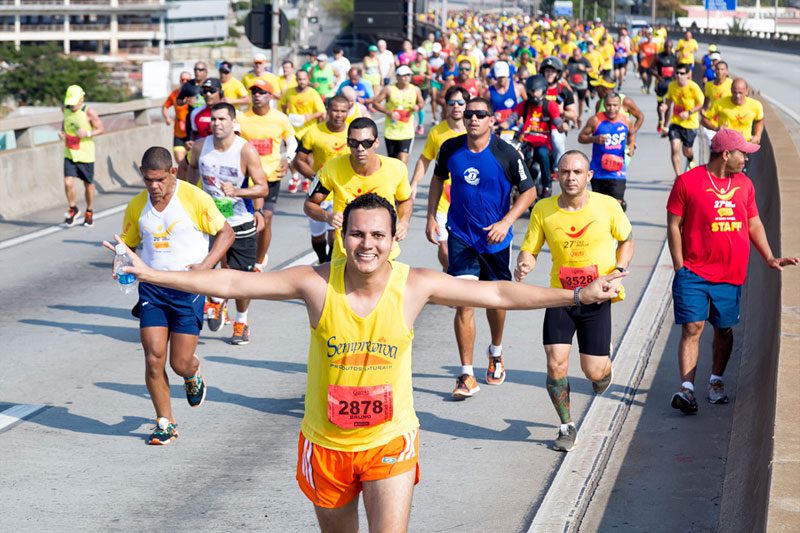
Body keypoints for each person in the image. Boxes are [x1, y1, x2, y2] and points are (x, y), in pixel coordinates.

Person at [110, 192, 623, 529]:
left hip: (390, 439)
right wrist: (151, 274)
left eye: (378, 234)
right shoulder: (314, 283)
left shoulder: (415, 285)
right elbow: (230, 282)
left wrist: (575, 298)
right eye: (357, 233)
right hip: (325, 443)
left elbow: (500, 294)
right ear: (342, 236)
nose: (367, 244)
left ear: (394, 239)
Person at [105, 146, 234, 445]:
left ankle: (192, 374)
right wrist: (120, 260)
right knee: (153, 358)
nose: (154, 186)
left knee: (180, 362)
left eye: (160, 180)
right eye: (148, 180)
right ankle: (165, 421)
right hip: (152, 290)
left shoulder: (194, 198)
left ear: (173, 173)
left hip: (188, 290)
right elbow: (128, 246)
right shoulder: (137, 206)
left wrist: (205, 265)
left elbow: (226, 233)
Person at [666, 129, 798, 414]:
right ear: (726, 154)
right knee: (692, 327)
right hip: (694, 272)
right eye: (743, 153)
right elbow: (674, 225)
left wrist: (769, 257)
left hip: (730, 274)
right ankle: (686, 389)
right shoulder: (688, 182)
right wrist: (680, 267)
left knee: (724, 329)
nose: (746, 159)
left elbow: (754, 224)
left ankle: (715, 380)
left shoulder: (745, 186)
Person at [515, 150, 633, 451]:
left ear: (589, 176)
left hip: (597, 297)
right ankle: (566, 426)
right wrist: (524, 261)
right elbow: (530, 248)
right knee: (556, 365)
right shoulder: (543, 210)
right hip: (561, 298)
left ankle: (603, 369)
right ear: (557, 174)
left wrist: (618, 271)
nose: (570, 177)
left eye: (577, 172)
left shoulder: (607, 206)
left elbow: (627, 239)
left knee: (594, 372)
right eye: (565, 172)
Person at [427, 97, 537, 399]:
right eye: (469, 114)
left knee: (496, 301)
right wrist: (431, 217)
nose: (472, 119)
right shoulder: (451, 148)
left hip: (495, 239)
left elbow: (529, 192)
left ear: (491, 120)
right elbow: (438, 179)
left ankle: (496, 351)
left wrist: (506, 222)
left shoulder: (506, 153)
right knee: (463, 302)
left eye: (480, 114)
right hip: (461, 234)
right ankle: (466, 374)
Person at [183, 103, 268, 345]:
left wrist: (238, 191)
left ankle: (241, 320)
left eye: (222, 119)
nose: (217, 124)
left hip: (240, 220)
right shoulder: (201, 147)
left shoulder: (246, 150)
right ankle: (217, 300)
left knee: (241, 278)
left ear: (233, 122)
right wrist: (189, 200)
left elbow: (262, 186)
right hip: (210, 221)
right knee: (204, 267)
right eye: (214, 119)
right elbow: (190, 171)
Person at [304, 117, 413, 260]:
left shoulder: (396, 168)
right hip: (345, 255)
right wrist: (327, 216)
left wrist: (404, 222)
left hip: (383, 254)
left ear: (376, 142)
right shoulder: (331, 168)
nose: (360, 148)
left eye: (367, 143)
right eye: (354, 143)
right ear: (348, 142)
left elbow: (405, 200)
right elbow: (309, 205)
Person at [237, 80, 297, 271]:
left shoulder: (280, 118)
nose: (257, 95)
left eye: (262, 92)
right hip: (246, 178)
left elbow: (291, 141)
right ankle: (242, 256)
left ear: (270, 96)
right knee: (247, 221)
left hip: (270, 176)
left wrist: (287, 158)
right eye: (254, 92)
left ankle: (258, 261)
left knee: (267, 218)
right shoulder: (241, 118)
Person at [409, 86, 469, 269]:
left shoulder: (475, 129)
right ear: (446, 106)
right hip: (445, 197)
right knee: (444, 248)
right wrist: (414, 183)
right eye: (452, 103)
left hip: (469, 196)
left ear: (467, 105)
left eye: (460, 103)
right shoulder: (437, 132)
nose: (456, 106)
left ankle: (458, 278)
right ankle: (452, 274)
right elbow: (425, 159)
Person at [293, 95, 351, 263]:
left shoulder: (352, 133)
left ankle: (331, 264)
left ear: (348, 112)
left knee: (335, 233)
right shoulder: (313, 132)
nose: (338, 115)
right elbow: (299, 160)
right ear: (327, 110)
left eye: (343, 111)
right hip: (320, 194)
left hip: (343, 192)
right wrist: (315, 177)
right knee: (318, 236)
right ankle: (322, 260)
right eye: (335, 110)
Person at [578, 92, 635, 211]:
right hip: (598, 172)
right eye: (609, 105)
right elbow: (581, 137)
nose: (612, 109)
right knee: (600, 207)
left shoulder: (626, 121)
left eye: (615, 105)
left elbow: (632, 134)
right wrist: (594, 139)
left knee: (617, 205)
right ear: (604, 105)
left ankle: (616, 228)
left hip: (618, 172)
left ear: (620, 106)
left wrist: (632, 145)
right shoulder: (595, 120)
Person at [60, 84, 105, 227]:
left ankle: (89, 211)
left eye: (74, 103)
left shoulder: (89, 112)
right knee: (68, 182)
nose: (72, 106)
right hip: (69, 152)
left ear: (82, 99)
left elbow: (101, 129)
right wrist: (62, 132)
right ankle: (73, 209)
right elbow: (65, 122)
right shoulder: (65, 109)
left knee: (88, 185)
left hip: (85, 154)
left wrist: (88, 133)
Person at [518, 75, 567, 199]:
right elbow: (512, 118)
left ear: (543, 91)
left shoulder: (550, 105)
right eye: (530, 90)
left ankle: (547, 184)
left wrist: (561, 126)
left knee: (542, 153)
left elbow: (557, 120)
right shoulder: (524, 105)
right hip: (525, 141)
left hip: (543, 142)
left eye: (536, 90)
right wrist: (499, 124)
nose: (533, 93)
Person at [279, 69, 327, 193]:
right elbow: (283, 104)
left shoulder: (313, 93)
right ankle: (295, 177)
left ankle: (307, 179)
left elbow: (321, 111)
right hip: (292, 130)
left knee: (308, 158)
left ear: (308, 79)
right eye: (299, 79)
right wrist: (287, 116)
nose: (302, 82)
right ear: (296, 80)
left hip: (308, 131)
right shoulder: (289, 92)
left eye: (304, 79)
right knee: (291, 156)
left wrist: (309, 117)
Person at [371, 65, 424, 164]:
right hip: (391, 131)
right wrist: (389, 112)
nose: (406, 78)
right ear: (397, 77)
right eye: (403, 75)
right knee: (393, 162)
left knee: (403, 159)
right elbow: (375, 103)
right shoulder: (389, 89)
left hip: (407, 130)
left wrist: (417, 106)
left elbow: (421, 102)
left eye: (408, 75)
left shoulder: (415, 89)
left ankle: (403, 178)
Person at [664, 64, 705, 177]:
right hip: (676, 123)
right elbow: (668, 101)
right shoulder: (672, 86)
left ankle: (691, 158)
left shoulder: (693, 87)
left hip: (690, 124)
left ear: (688, 75)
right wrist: (665, 107)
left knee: (686, 151)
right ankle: (678, 176)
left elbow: (701, 103)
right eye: (677, 73)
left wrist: (689, 112)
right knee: (674, 148)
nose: (678, 75)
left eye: (682, 73)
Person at [702, 78, 764, 145]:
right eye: (735, 92)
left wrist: (758, 135)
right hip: (725, 144)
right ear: (731, 90)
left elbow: (760, 120)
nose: (737, 96)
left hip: (745, 144)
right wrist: (716, 128)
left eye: (740, 93)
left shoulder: (755, 105)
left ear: (746, 91)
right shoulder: (719, 103)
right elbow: (704, 120)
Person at [161, 71, 193, 164]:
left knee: (191, 162)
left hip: (191, 134)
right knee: (180, 161)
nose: (185, 81)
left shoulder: (196, 94)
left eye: (188, 80)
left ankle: (190, 177)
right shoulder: (175, 94)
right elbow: (165, 107)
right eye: (183, 79)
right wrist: (167, 118)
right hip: (179, 133)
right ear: (180, 81)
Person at [484, 61, 525, 128]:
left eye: (503, 76)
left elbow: (527, 104)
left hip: (514, 126)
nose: (501, 79)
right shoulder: (488, 92)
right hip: (496, 127)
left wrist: (522, 117)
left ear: (508, 74)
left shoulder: (518, 88)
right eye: (499, 77)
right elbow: (484, 110)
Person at [701, 60, 732, 146]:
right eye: (718, 69)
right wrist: (704, 109)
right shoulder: (709, 85)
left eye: (722, 69)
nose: (720, 72)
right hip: (713, 121)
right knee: (714, 146)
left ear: (727, 71)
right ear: (715, 70)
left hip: (727, 121)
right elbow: (706, 99)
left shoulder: (731, 84)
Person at [652, 39, 677, 135]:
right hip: (660, 84)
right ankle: (660, 120)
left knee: (669, 105)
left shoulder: (674, 57)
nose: (668, 49)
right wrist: (658, 76)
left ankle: (666, 127)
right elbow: (651, 68)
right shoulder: (658, 57)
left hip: (670, 84)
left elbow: (676, 69)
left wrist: (675, 78)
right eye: (666, 47)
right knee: (660, 104)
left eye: (670, 47)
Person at [566, 48, 592, 127]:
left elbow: (591, 69)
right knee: (573, 101)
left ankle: (579, 117)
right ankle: (574, 118)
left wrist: (584, 69)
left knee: (581, 102)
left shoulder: (584, 60)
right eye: (574, 55)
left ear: (580, 54)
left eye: (577, 55)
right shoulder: (570, 60)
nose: (575, 57)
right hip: (571, 84)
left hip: (582, 84)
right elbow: (567, 68)